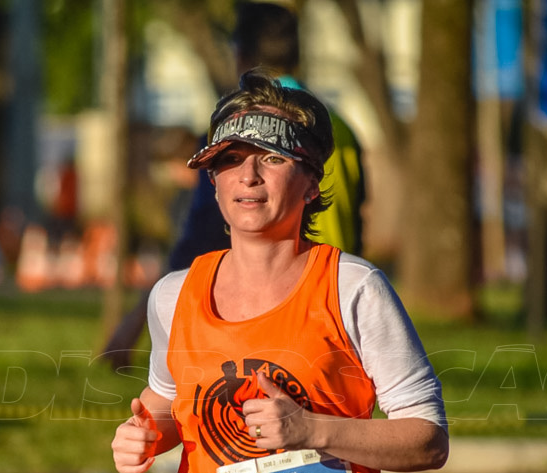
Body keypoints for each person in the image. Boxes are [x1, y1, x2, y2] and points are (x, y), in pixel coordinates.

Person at [111, 70, 448, 473]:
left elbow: (428, 439)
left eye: (270, 157)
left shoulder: (352, 288)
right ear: (211, 181)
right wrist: (145, 436)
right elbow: (170, 411)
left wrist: (310, 430)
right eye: (229, 159)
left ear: (312, 182)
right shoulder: (172, 295)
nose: (247, 175)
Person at [102, 1, 366, 367]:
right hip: (340, 304)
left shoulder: (233, 133)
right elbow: (358, 215)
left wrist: (133, 326)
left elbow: (199, 237)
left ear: (240, 55)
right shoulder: (341, 128)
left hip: (272, 316)